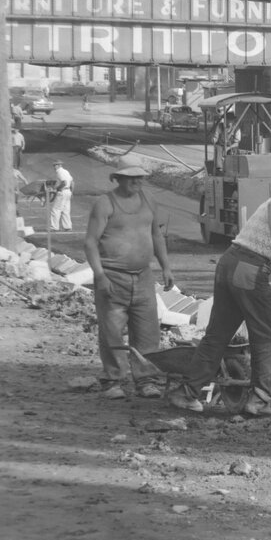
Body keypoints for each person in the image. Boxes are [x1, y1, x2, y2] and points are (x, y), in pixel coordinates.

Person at [170, 164, 271, 416]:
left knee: (217, 335)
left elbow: (267, 254)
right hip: (248, 270)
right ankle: (259, 399)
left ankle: (187, 392)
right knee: (268, 334)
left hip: (229, 263)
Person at [85, 165, 175, 401]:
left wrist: (166, 267)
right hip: (113, 276)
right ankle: (113, 381)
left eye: (140, 178)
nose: (137, 182)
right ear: (119, 179)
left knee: (148, 331)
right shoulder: (105, 203)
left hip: (144, 276)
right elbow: (91, 243)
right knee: (112, 331)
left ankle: (146, 380)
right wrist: (100, 275)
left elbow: (156, 235)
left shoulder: (148, 199)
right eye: (132, 178)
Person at [48, 161, 74, 231]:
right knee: (66, 210)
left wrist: (56, 188)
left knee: (56, 209)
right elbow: (72, 182)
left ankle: (54, 227)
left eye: (55, 165)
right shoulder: (66, 171)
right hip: (68, 191)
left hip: (62, 192)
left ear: (59, 165)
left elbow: (64, 182)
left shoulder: (59, 172)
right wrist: (72, 192)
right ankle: (67, 227)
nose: (54, 167)